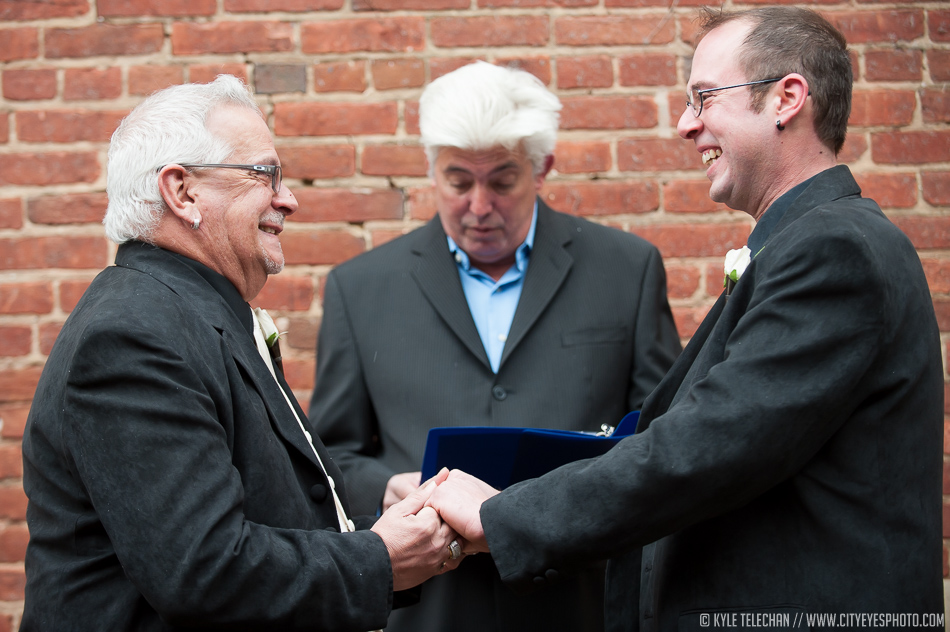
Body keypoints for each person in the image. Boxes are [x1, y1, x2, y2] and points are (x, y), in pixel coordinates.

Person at [428, 8, 945, 631]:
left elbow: (711, 445)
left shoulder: (833, 251)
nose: (684, 124)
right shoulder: (803, 243)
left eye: (704, 97)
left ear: (786, 98)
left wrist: (503, 516)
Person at [20, 75, 464, 632]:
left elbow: (267, 517)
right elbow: (203, 570)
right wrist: (380, 558)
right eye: (265, 174)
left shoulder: (185, 313)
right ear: (182, 192)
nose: (289, 199)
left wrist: (380, 529)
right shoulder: (131, 336)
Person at [309, 61, 681, 632]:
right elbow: (333, 453)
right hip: (429, 608)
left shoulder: (626, 270)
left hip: (581, 601)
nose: (479, 206)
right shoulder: (360, 288)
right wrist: (385, 486)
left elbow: (663, 439)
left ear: (541, 168)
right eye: (458, 181)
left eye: (502, 181)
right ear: (431, 170)